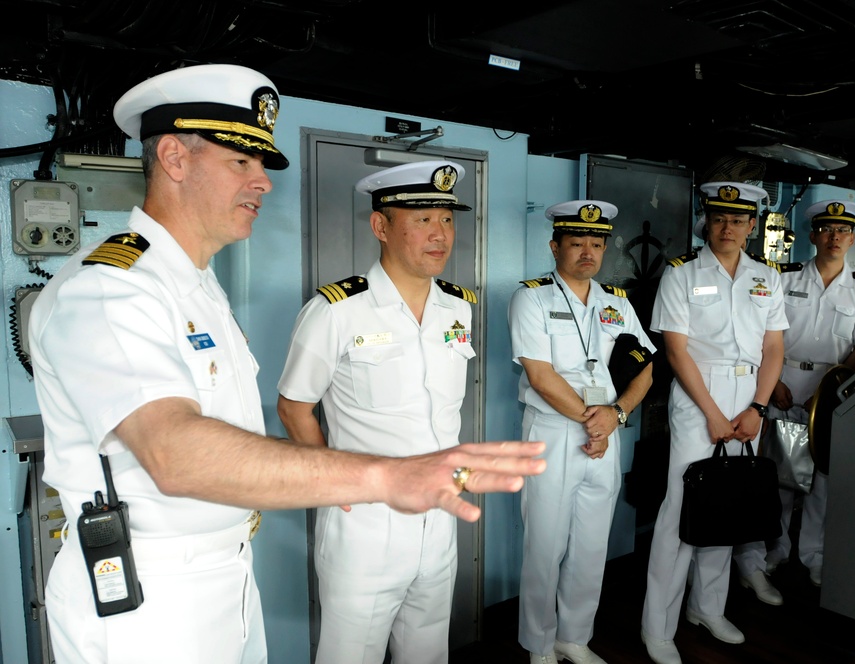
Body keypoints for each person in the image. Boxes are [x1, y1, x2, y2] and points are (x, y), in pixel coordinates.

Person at [28, 64, 545, 664]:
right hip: (152, 594)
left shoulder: (197, 287)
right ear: (173, 156)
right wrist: (381, 477)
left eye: (261, 166)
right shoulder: (111, 288)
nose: (263, 183)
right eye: (240, 163)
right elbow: (172, 452)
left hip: (224, 569)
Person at [276, 159, 485, 663]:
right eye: (422, 219)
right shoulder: (336, 310)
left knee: (429, 650)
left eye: (448, 219)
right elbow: (293, 406)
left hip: (439, 514)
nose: (440, 234)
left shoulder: (459, 306)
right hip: (366, 522)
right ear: (381, 226)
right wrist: (333, 482)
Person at [640, 182, 788, 664]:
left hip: (750, 400)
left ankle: (707, 607)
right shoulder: (682, 273)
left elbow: (773, 349)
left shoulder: (766, 276)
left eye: (738, 219)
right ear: (708, 220)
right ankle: (657, 626)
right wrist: (712, 413)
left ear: (751, 225)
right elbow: (675, 349)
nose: (727, 227)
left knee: (728, 503)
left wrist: (758, 408)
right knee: (681, 508)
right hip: (698, 396)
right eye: (719, 218)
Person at [509, 201, 655, 664]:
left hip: (605, 435)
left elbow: (646, 369)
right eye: (576, 243)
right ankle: (538, 643)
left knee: (592, 545)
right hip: (552, 431)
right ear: (555, 246)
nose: (587, 251)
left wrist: (616, 414)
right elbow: (540, 374)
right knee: (545, 545)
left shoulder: (617, 301)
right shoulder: (532, 297)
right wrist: (596, 419)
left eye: (596, 243)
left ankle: (574, 637)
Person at [759, 200, 855, 588]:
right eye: (827, 230)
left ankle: (813, 555)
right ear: (813, 236)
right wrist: (773, 383)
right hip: (782, 385)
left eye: (842, 231)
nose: (834, 238)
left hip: (829, 392)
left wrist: (832, 390)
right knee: (779, 476)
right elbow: (766, 335)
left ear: (852, 239)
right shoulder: (784, 278)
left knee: (821, 482)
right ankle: (776, 550)